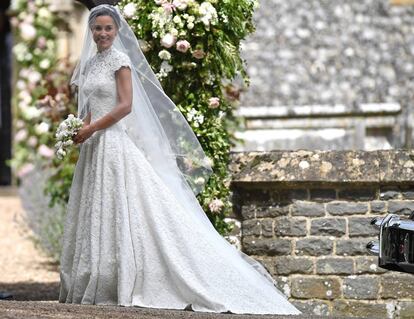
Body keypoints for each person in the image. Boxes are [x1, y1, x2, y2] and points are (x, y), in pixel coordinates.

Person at [59, 4, 301, 315]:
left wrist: (92, 127)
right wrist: (79, 130)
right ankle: (102, 277)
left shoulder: (120, 62)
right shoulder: (91, 64)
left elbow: (125, 106)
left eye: (107, 28)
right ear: (91, 32)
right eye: (97, 28)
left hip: (115, 144)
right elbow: (92, 105)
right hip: (94, 147)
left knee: (129, 206)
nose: (102, 33)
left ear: (117, 31)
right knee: (97, 206)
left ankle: (137, 276)